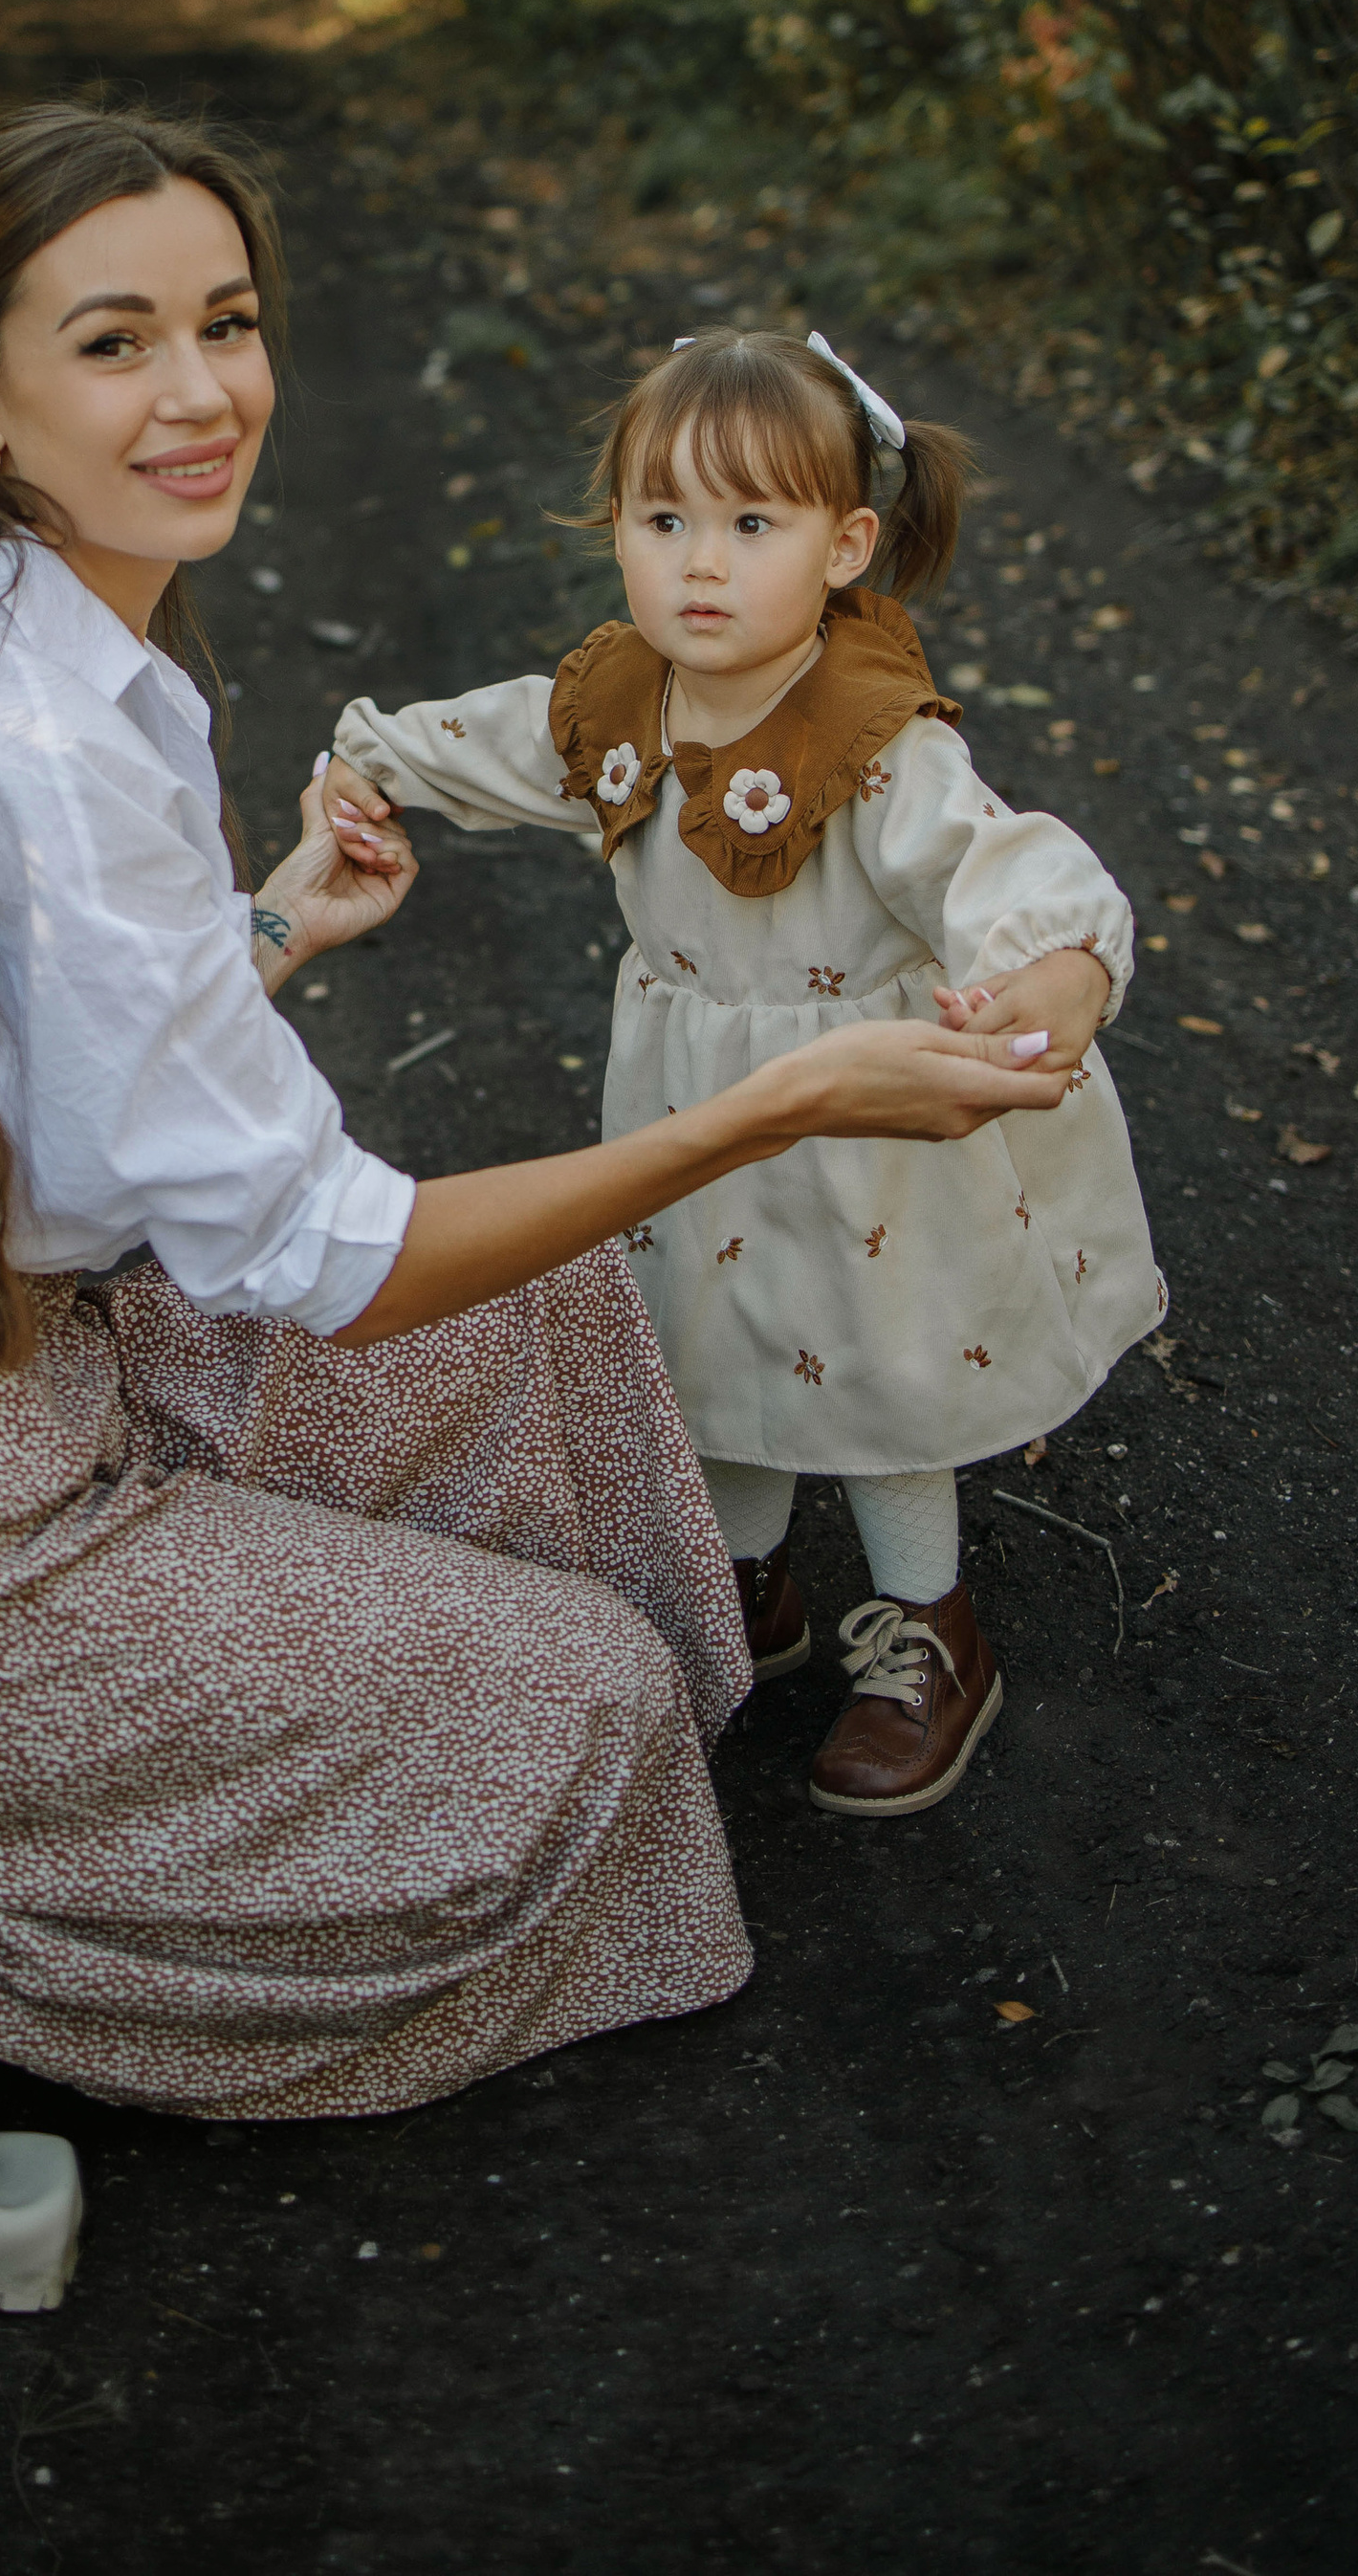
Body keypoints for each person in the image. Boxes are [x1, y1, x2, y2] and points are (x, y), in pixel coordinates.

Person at [0, 112, 1071, 2318]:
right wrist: (773, 1105)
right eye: (115, 342)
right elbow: (331, 1261)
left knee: (552, 1309)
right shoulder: (34, 734)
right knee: (576, 1712)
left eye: (228, 324)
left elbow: (42, 1058)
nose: (199, 394)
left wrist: (262, 926)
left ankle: (318, 1732)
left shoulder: (54, 639)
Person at [326, 326, 1162, 1821]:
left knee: (877, 1359)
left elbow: (1002, 861)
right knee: (704, 1334)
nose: (700, 566)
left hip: (868, 1118)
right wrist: (376, 765)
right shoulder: (622, 701)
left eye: (752, 524)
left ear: (846, 547)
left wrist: (1051, 968)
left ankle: (928, 1626)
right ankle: (746, 1586)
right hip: (691, 1103)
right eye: (665, 521)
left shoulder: (874, 744)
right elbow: (507, 740)